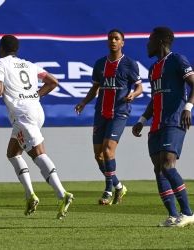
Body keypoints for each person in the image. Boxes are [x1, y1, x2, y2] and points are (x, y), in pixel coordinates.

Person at [0, 35, 74, 219]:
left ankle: (62, 194)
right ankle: (30, 195)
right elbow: (53, 82)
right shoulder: (28, 64)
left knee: (38, 153)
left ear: (1, 48)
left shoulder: (0, 63)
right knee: (13, 153)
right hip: (36, 111)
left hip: (22, 114)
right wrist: (34, 96)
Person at [132, 26, 194, 227]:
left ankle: (188, 214)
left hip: (175, 120)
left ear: (160, 42)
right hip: (156, 124)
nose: (147, 44)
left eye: (150, 40)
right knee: (159, 169)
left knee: (168, 165)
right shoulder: (153, 69)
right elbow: (155, 98)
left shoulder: (177, 60)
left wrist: (188, 107)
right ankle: (173, 216)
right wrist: (142, 120)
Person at [75, 29, 143, 205]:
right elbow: (95, 88)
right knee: (99, 156)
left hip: (119, 112)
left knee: (107, 151)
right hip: (101, 112)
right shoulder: (99, 64)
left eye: (116, 39)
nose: (113, 41)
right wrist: (83, 102)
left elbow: (139, 88)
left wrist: (132, 96)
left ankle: (107, 192)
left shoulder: (130, 64)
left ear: (122, 43)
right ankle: (118, 186)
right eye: (110, 38)